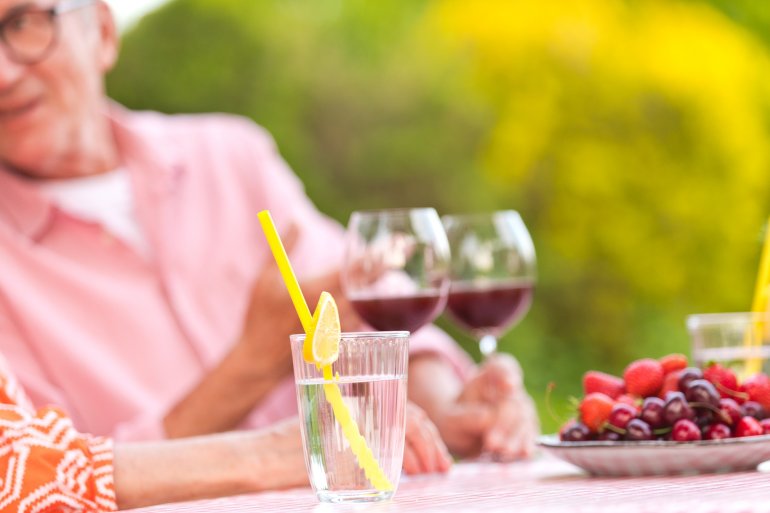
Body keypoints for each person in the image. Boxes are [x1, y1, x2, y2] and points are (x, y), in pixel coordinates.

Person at [0, 0, 538, 484]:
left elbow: (366, 304)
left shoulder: (231, 155)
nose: (2, 72)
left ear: (101, 30)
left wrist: (445, 410)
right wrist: (252, 364)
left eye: (22, 23)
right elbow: (53, 480)